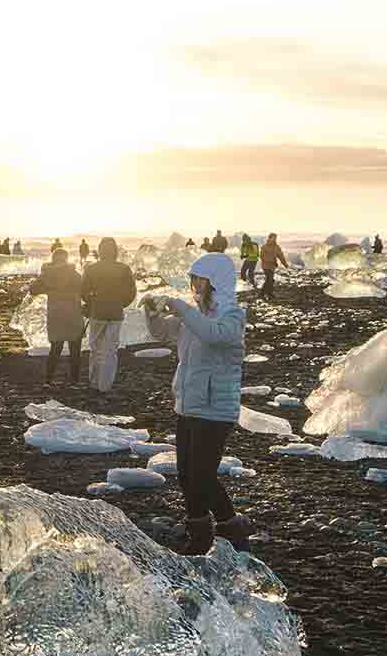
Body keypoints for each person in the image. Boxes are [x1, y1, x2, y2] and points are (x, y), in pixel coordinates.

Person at [142, 252, 250, 555]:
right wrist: (152, 313)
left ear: (215, 281)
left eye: (199, 279)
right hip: (189, 405)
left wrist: (179, 306)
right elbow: (163, 333)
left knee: (203, 474)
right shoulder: (196, 315)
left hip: (215, 409)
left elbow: (213, 336)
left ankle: (231, 528)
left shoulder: (231, 315)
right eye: (193, 279)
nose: (195, 285)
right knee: (188, 473)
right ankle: (200, 533)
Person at [80, 237, 137, 392]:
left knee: (96, 349)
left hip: (97, 312)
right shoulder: (124, 269)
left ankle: (94, 382)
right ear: (115, 250)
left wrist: (91, 301)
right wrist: (120, 303)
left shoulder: (91, 269)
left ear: (100, 250)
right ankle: (105, 385)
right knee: (111, 351)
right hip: (116, 313)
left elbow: (83, 291)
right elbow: (131, 292)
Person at [28, 248, 84, 384]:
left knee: (55, 349)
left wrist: (45, 284)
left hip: (55, 315)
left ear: (53, 259)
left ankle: (48, 380)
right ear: (66, 259)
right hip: (73, 314)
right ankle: (74, 381)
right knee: (75, 349)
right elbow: (84, 291)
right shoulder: (74, 274)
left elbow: (33, 290)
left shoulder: (47, 274)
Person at [259, 232, 288, 300]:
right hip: (265, 266)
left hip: (272, 266)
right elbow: (262, 256)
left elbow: (281, 256)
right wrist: (271, 260)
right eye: (273, 238)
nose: (275, 239)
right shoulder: (264, 247)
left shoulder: (276, 247)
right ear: (269, 238)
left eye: (275, 238)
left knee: (270, 280)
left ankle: (265, 293)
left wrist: (285, 264)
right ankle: (267, 294)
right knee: (269, 279)